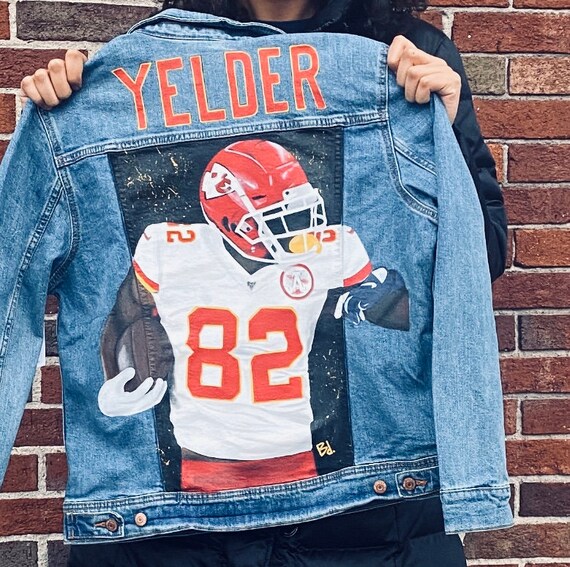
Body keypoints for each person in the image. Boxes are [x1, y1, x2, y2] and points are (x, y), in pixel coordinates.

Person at [17, 1, 508, 566]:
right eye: (281, 217)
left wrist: (439, 140)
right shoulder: (141, 74)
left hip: (359, 508)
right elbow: (117, 307)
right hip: (187, 507)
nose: (301, 229)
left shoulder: (405, 56)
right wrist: (119, 372)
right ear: (233, 221)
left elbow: (474, 261)